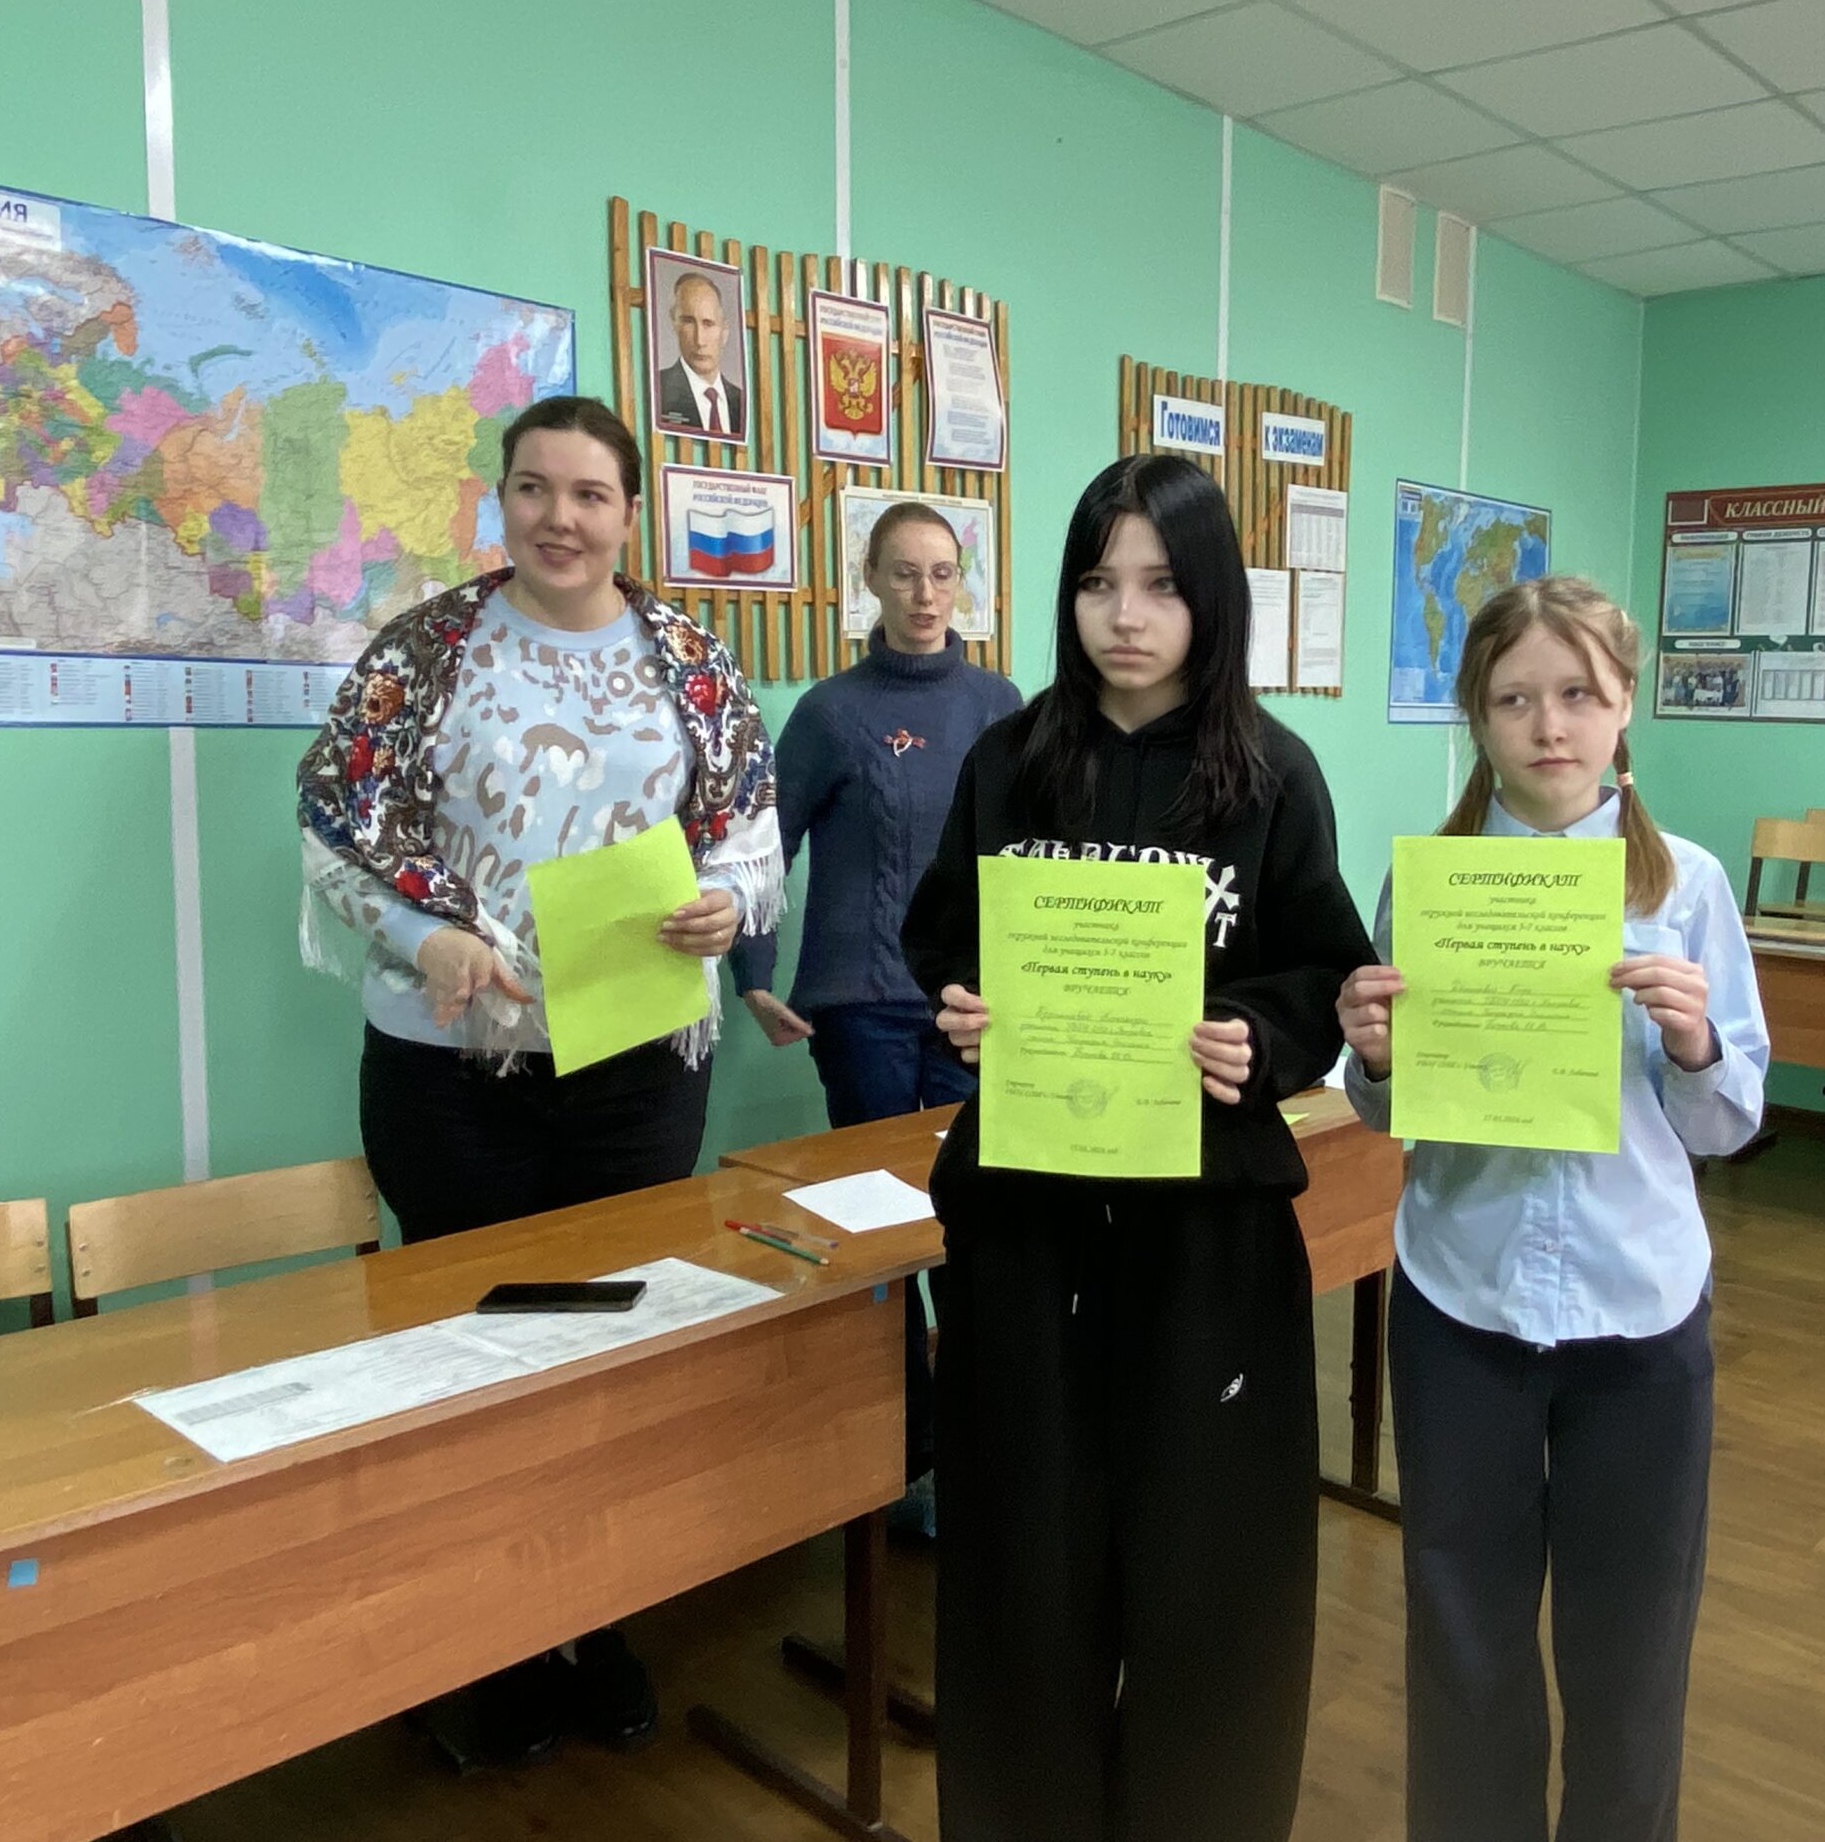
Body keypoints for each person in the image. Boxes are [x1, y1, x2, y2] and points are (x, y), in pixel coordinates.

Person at [294, 392, 779, 1766]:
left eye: (589, 494)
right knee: (472, 1348)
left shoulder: (690, 658)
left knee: (602, 1342)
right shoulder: (426, 651)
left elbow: (748, 832)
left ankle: (593, 1621)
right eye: (533, 488)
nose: (559, 518)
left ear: (629, 512)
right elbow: (334, 825)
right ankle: (487, 1644)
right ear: (500, 497)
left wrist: (727, 905)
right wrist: (426, 936)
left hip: (636, 1069)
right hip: (452, 1071)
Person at [901, 453, 1374, 1842]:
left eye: (1161, 585)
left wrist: (1259, 1041)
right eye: (1098, 583)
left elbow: (1321, 971)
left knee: (1208, 1580)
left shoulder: (1271, 773)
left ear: (1210, 597)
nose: (1125, 615)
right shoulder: (1010, 759)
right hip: (1028, 1227)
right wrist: (963, 1006)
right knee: (1023, 1573)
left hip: (1204, 1238)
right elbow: (942, 934)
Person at [1334, 574, 1769, 1842]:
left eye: (1578, 694)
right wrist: (1371, 1054)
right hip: (1460, 1305)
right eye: (1514, 699)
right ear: (1476, 717)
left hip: (1639, 1317)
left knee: (1631, 1646)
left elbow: (1729, 1124)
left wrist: (1693, 1045)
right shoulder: (1430, 884)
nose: (1548, 726)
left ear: (1625, 704)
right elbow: (1385, 1112)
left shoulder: (1686, 886)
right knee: (1461, 1636)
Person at [730, 502, 1021, 1527]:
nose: (925, 594)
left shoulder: (999, 704)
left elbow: (1030, 851)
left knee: (976, 1224)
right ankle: (905, 1461)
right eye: (904, 573)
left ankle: (982, 1444)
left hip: (970, 1012)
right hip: (861, 1010)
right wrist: (752, 970)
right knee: (885, 1240)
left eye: (942, 573)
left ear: (961, 583)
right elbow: (763, 846)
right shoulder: (831, 712)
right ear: (871, 580)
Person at [654, 269, 745, 437]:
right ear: (674, 324)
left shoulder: (741, 402)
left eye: (708, 324)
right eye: (688, 322)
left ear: (725, 332)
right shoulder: (658, 389)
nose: (699, 340)